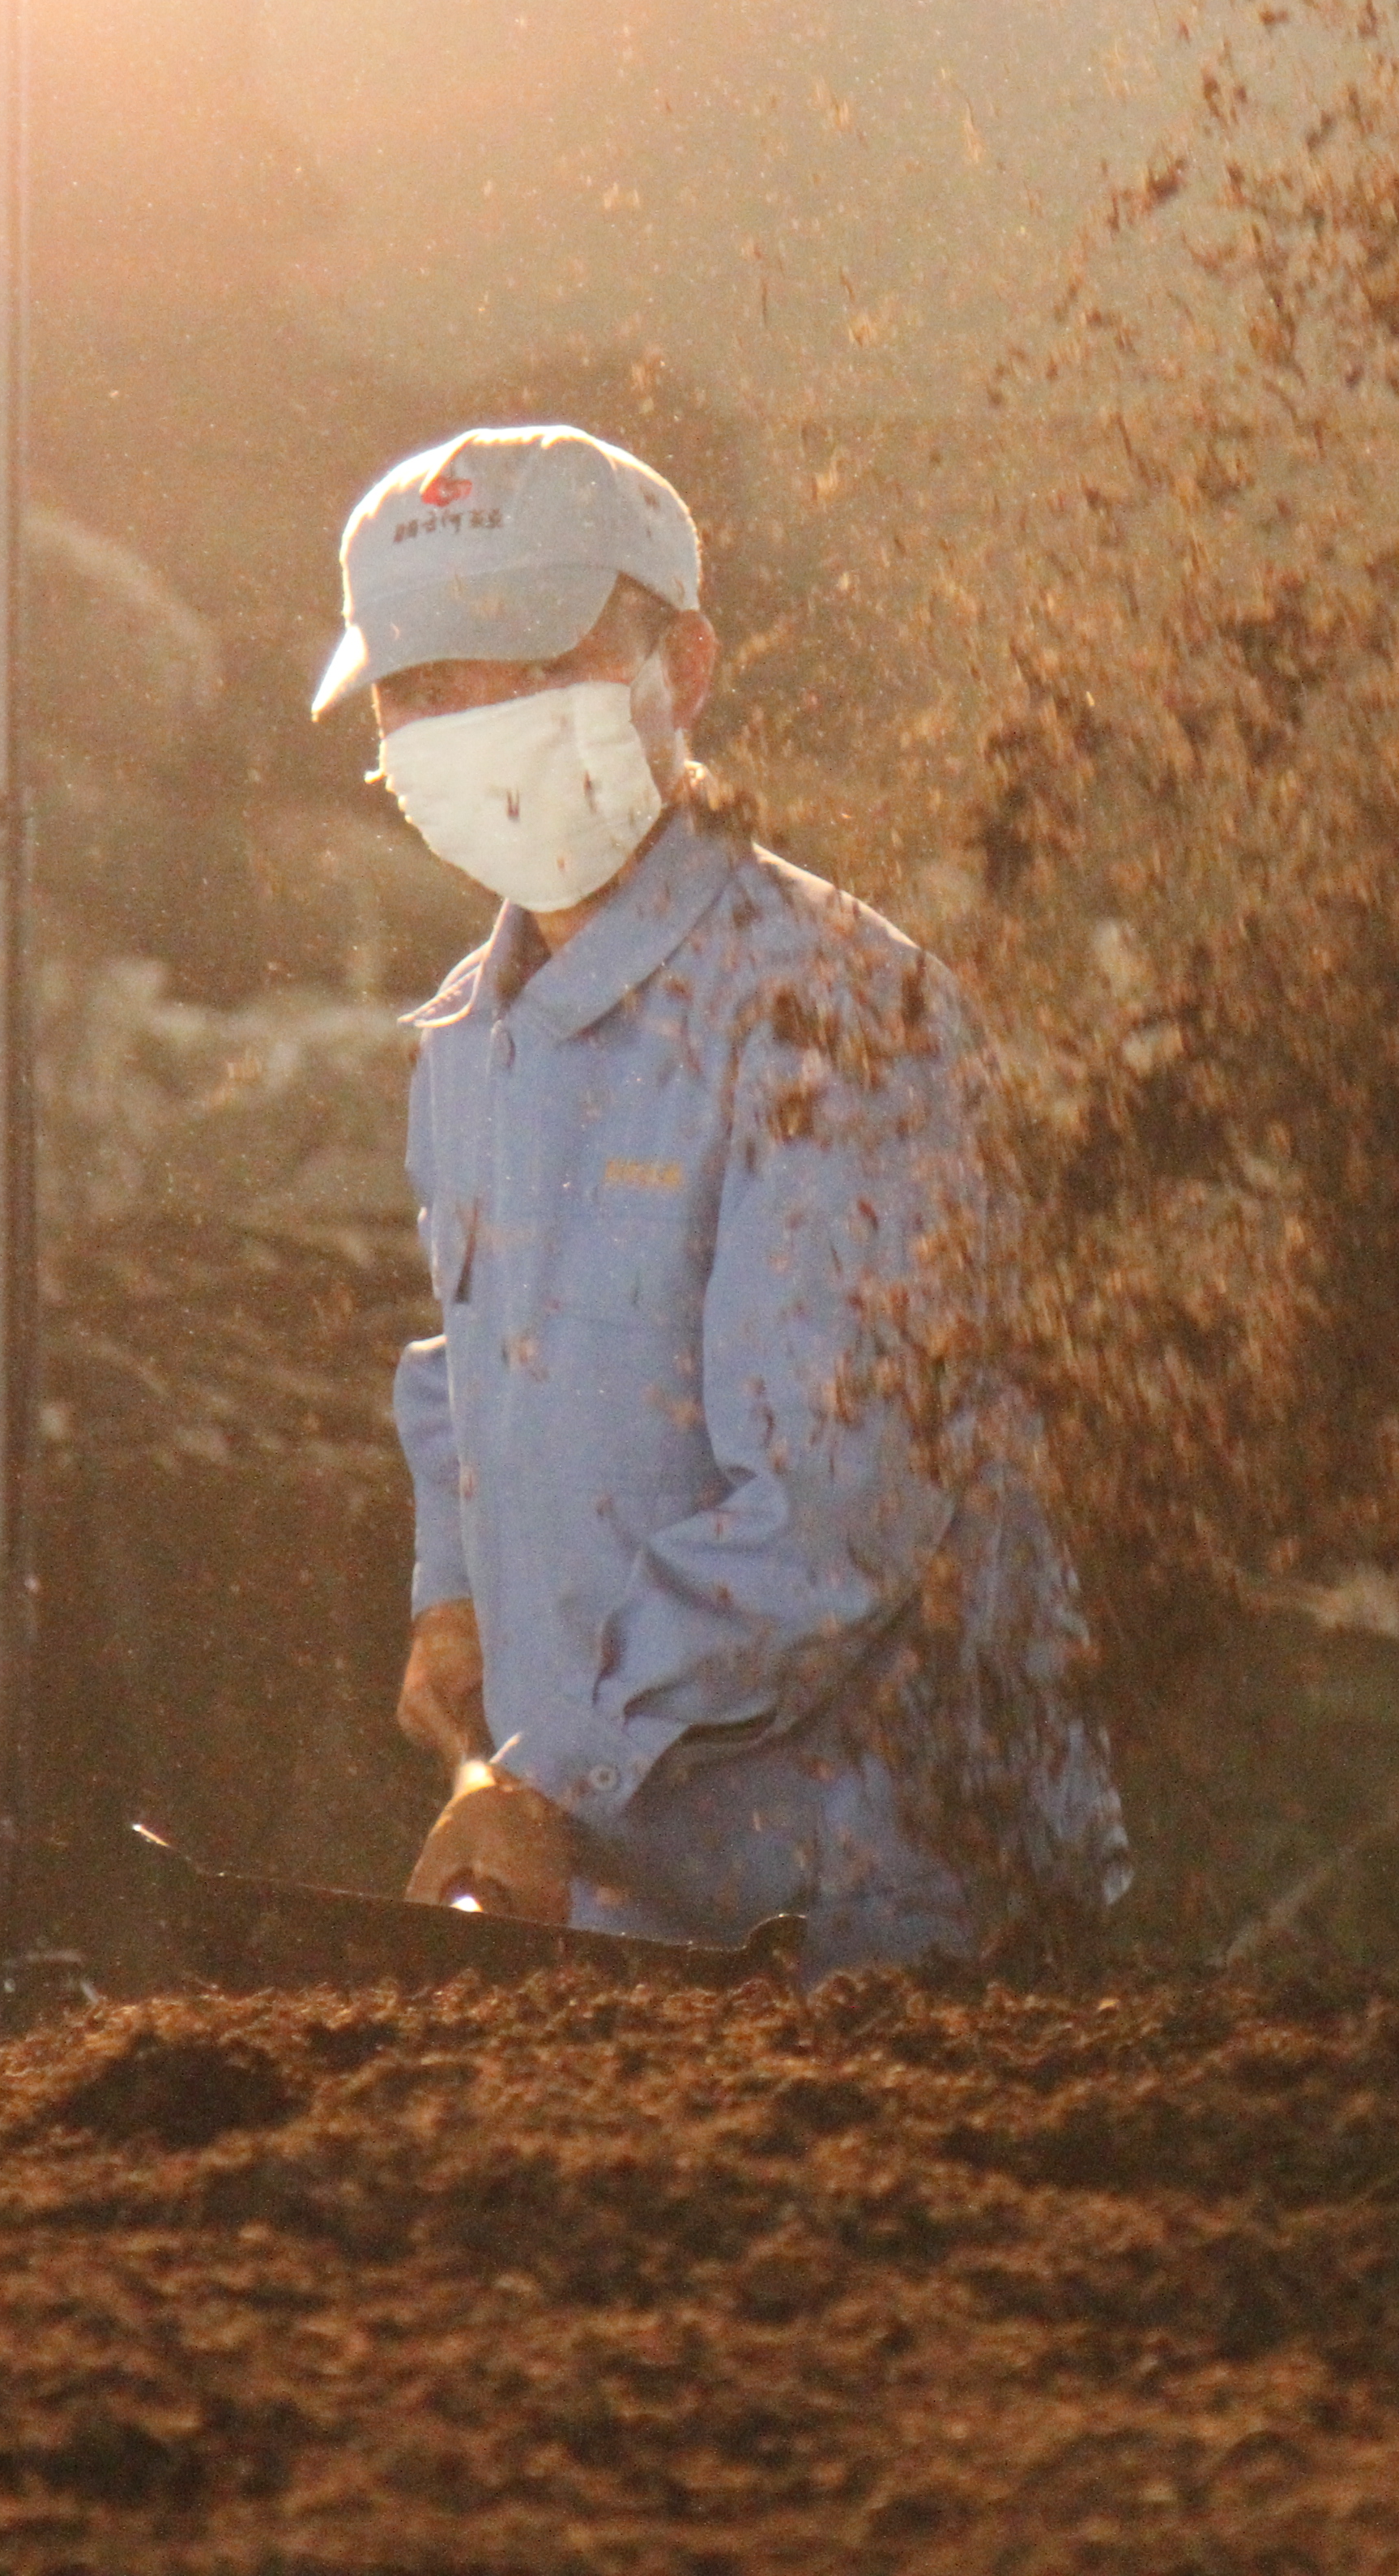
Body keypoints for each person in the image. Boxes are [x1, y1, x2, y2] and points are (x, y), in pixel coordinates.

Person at [315, 423, 1125, 1975]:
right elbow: (479, 1363)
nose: (462, 722)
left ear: (680, 669)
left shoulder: (829, 1019)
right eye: (419, 690)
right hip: (621, 1908)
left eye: (521, 665)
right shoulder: (471, 1038)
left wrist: (556, 1773)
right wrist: (456, 1597)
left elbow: (841, 1509)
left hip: (877, 1916)